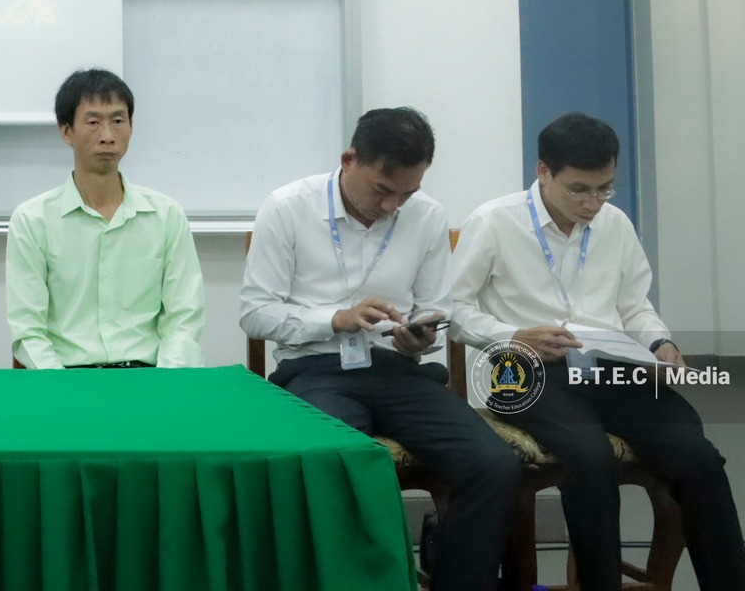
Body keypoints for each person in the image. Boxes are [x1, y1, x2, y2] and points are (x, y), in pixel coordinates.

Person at [451, 113, 745, 591]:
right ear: (543, 171)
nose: (593, 203)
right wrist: (514, 334)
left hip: (606, 366)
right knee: (588, 455)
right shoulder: (494, 222)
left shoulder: (615, 223)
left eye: (605, 188)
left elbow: (635, 306)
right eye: (579, 190)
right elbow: (454, 311)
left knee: (697, 456)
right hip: (520, 371)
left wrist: (660, 343)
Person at [240, 107, 518, 591]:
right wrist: (335, 318)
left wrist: (421, 335)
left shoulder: (426, 215)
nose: (392, 206)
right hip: (316, 370)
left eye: (406, 194)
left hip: (397, 370)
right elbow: (255, 313)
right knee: (340, 460)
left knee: (495, 465)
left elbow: (435, 307)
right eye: (382, 190)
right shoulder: (288, 207)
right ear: (349, 160)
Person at [6, 68, 204, 368]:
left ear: (131, 127)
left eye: (118, 121)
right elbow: (28, 331)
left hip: (149, 376)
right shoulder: (33, 220)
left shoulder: (166, 215)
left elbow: (183, 319)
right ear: (66, 131)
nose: (108, 137)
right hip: (68, 378)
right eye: (93, 122)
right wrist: (60, 387)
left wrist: (165, 383)